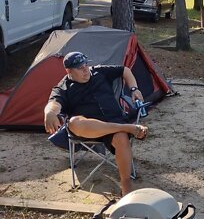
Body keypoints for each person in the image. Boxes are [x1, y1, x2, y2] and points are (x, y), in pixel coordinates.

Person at [44, 51, 148, 196]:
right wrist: (49, 113)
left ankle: (125, 183)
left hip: (112, 122)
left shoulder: (98, 71)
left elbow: (125, 70)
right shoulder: (63, 87)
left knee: (121, 138)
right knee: (74, 122)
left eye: (86, 64)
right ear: (69, 71)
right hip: (87, 129)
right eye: (80, 68)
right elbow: (54, 104)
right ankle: (128, 128)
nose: (86, 69)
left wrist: (134, 89)